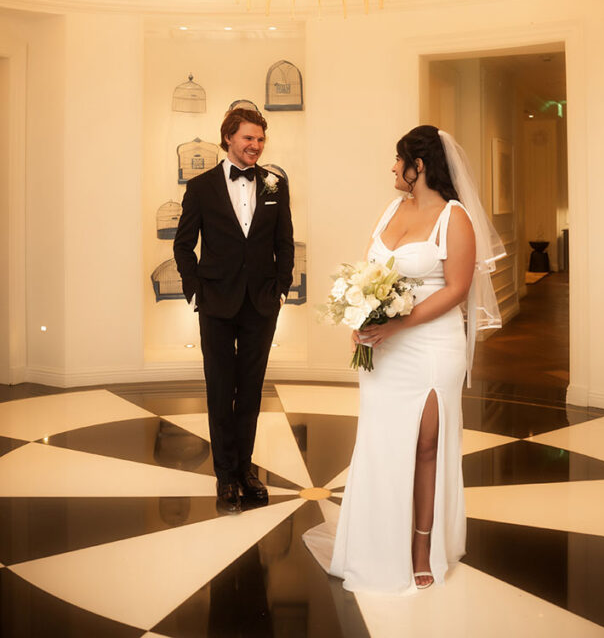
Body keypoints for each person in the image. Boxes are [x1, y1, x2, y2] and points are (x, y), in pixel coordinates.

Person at [304, 126, 504, 592]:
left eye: (399, 160)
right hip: (385, 347)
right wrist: (361, 314)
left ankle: (422, 547)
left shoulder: (454, 218)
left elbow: (456, 289)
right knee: (379, 442)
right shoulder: (392, 209)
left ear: (421, 166)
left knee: (426, 445)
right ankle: (374, 544)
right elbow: (370, 270)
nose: (393, 168)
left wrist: (397, 323)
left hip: (432, 346)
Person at [174, 108, 294, 512]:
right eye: (248, 139)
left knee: (251, 393)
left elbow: (285, 240)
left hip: (261, 303)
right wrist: (195, 292)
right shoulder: (201, 187)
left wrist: (281, 287)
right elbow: (182, 245)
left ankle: (245, 469)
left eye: (260, 139)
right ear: (228, 138)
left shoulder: (276, 184)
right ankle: (224, 477)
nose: (255, 146)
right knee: (220, 390)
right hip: (216, 304)